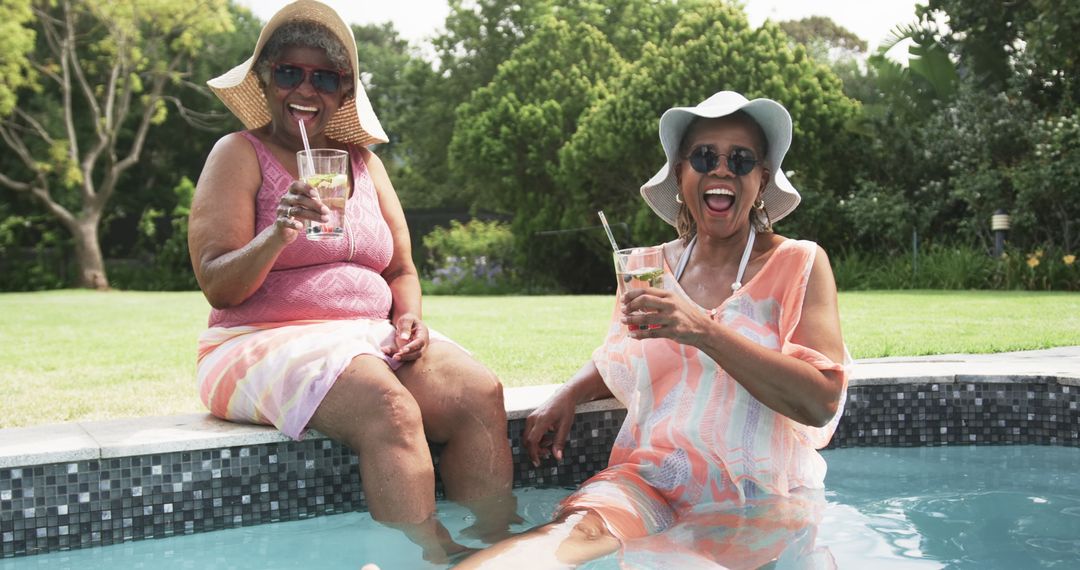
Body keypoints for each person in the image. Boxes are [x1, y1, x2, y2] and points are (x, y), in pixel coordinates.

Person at [457, 91, 849, 569]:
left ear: (761, 179)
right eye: (704, 156)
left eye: (741, 160)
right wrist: (571, 392)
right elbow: (626, 351)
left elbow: (821, 401)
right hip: (649, 481)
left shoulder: (799, 263)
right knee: (568, 534)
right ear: (682, 174)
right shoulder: (645, 268)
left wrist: (703, 330)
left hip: (756, 499)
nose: (721, 169)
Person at [188, 0, 514, 562]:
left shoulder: (364, 163)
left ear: (343, 93)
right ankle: (432, 558)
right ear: (266, 81)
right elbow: (218, 285)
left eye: (325, 78)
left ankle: (499, 545)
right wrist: (278, 234)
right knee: (389, 407)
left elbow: (401, 269)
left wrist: (408, 315)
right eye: (288, 71)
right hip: (255, 340)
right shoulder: (238, 154)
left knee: (478, 393)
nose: (304, 89)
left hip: (369, 336)